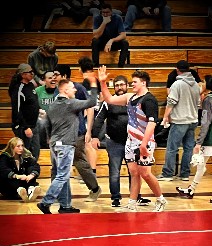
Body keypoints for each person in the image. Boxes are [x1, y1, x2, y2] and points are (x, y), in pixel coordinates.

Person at [98, 65, 167, 212]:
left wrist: (144, 144)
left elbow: (152, 122)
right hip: (130, 141)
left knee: (146, 173)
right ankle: (131, 203)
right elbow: (109, 99)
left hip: (145, 141)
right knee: (134, 173)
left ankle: (161, 199)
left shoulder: (149, 100)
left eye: (134, 82)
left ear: (143, 83)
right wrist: (103, 82)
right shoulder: (130, 97)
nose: (132, 84)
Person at [37, 78, 98, 214]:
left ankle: (65, 205)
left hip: (54, 143)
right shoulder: (70, 103)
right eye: (72, 87)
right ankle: (46, 202)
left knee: (61, 174)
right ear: (65, 90)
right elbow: (92, 102)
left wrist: (50, 138)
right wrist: (94, 85)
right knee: (63, 175)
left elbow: (47, 123)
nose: (75, 89)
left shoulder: (52, 105)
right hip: (65, 144)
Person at [91, 75, 151, 207]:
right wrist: (94, 136)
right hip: (114, 142)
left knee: (134, 172)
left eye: (121, 85)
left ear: (127, 86)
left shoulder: (134, 100)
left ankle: (136, 197)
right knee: (114, 171)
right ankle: (115, 198)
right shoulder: (108, 102)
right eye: (116, 85)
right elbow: (99, 119)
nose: (119, 88)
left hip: (133, 142)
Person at [176, 75, 212, 204]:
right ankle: (191, 189)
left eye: (204, 82)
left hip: (209, 137)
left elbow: (206, 122)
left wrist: (199, 141)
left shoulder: (208, 100)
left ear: (207, 84)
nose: (201, 83)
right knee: (201, 165)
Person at [52, 64, 102, 201]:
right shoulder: (57, 91)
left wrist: (88, 130)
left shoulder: (77, 88)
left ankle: (94, 187)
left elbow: (90, 106)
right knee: (57, 164)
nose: (54, 77)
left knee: (79, 161)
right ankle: (57, 194)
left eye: (56, 74)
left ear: (64, 76)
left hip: (77, 131)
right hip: (60, 134)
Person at [157, 60, 200, 181]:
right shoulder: (196, 85)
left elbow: (171, 102)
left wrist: (165, 117)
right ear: (189, 70)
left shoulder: (177, 84)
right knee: (188, 148)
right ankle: (185, 174)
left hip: (180, 121)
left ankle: (167, 174)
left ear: (177, 70)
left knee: (172, 148)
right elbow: (198, 103)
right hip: (193, 121)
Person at [8, 63, 40, 161]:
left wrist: (39, 110)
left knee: (35, 152)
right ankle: (22, 174)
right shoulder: (18, 89)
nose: (32, 74)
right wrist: (26, 127)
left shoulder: (30, 85)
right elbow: (16, 111)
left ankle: (32, 174)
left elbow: (32, 103)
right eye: (30, 72)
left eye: (32, 72)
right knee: (24, 154)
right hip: (23, 127)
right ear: (23, 74)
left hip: (34, 125)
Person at [0, 137, 41, 202]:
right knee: (10, 178)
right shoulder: (5, 157)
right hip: (9, 187)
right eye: (18, 146)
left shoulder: (26, 155)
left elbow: (35, 165)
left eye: (22, 145)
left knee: (30, 168)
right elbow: (3, 170)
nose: (21, 148)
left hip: (23, 183)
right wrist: (17, 176)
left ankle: (31, 190)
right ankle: (21, 190)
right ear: (12, 147)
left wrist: (32, 175)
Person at [92, 3, 129, 68]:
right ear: (101, 12)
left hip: (113, 43)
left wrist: (112, 40)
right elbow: (96, 36)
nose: (105, 14)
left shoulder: (118, 18)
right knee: (95, 41)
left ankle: (121, 66)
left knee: (125, 43)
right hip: (102, 43)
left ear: (111, 12)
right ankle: (95, 65)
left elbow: (123, 35)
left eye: (107, 12)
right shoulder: (97, 18)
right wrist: (104, 23)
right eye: (103, 12)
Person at [35, 71, 57, 149]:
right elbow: (32, 105)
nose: (53, 80)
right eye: (50, 78)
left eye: (54, 78)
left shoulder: (60, 89)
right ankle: (43, 146)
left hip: (57, 116)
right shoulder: (38, 90)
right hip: (43, 115)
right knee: (41, 122)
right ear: (44, 81)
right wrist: (39, 110)